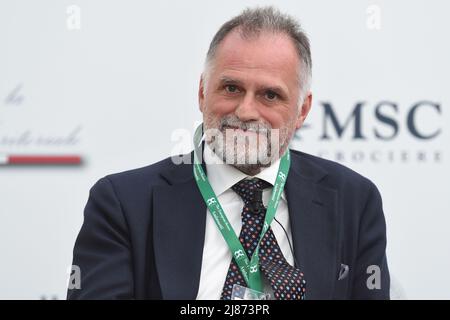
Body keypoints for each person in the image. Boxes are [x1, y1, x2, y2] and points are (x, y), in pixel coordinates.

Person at [67, 6, 389, 300]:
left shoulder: (354, 202)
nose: (246, 111)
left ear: (302, 110)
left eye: (270, 95)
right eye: (231, 88)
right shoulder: (123, 203)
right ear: (203, 92)